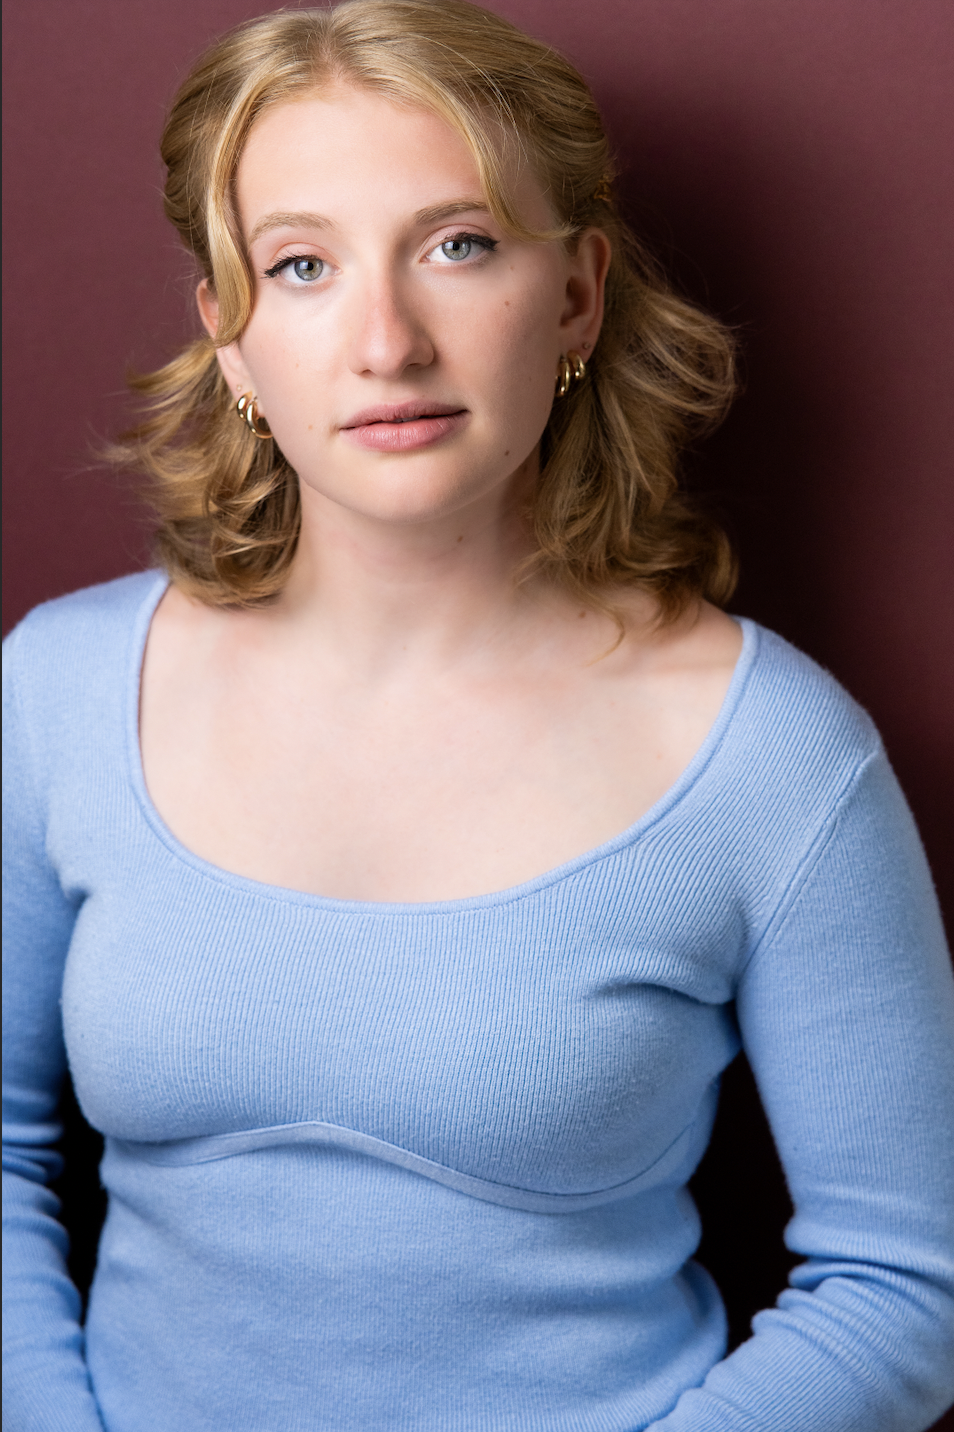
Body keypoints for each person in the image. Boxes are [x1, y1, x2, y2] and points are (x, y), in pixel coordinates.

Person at [3, 1, 953, 1428]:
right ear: (232, 337)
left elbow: (902, 1290)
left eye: (457, 245)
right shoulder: (56, 692)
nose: (387, 339)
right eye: (302, 266)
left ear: (575, 294)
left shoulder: (771, 756)